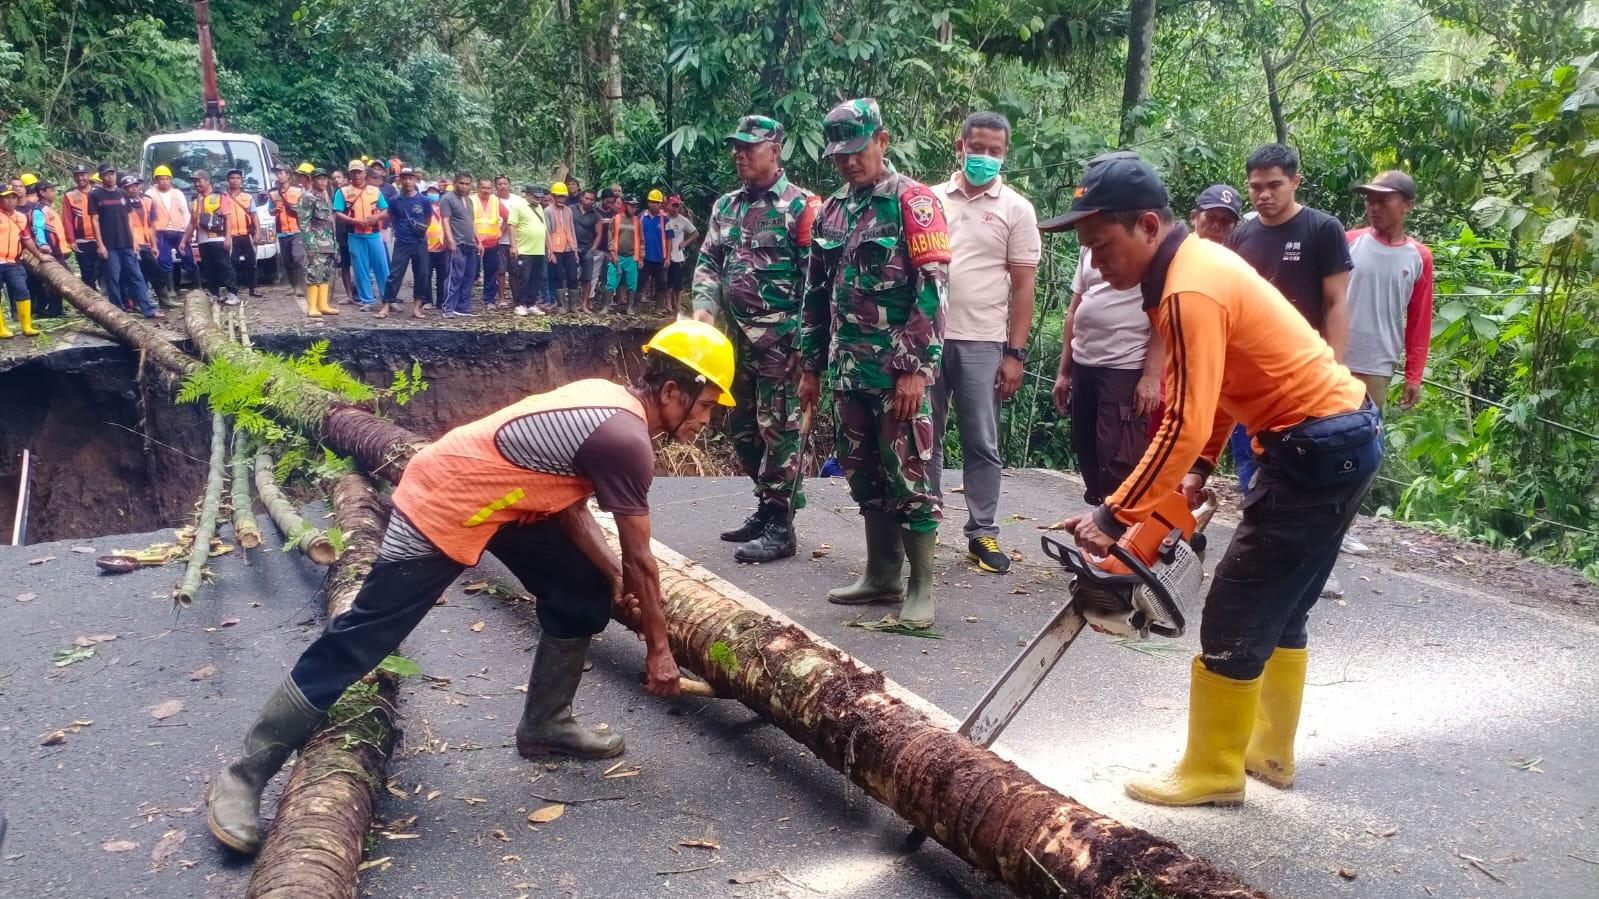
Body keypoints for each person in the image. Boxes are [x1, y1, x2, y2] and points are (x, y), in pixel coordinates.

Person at [205, 319, 737, 855]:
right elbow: (643, 558)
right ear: (672, 391)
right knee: (364, 637)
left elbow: (571, 508)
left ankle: (546, 724)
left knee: (579, 592)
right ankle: (244, 775)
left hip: (505, 508)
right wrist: (659, 651)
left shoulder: (609, 403)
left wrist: (612, 579)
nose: (706, 420)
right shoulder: (625, 438)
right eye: (707, 405)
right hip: (449, 498)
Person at [1051, 155, 1379, 808]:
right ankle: (1267, 751)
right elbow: (1224, 383)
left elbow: (1180, 417)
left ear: (1146, 226)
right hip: (1340, 436)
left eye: (1105, 246)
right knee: (1282, 604)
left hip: (1314, 447)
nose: (1098, 262)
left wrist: (1114, 516)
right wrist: (1199, 468)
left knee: (1235, 601)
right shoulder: (1192, 269)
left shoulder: (1186, 286)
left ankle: (1213, 769)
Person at [797, 98, 950, 628]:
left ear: (881, 140)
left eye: (857, 150)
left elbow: (933, 291)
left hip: (895, 373)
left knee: (908, 476)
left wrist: (913, 368)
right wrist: (811, 366)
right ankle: (881, 573)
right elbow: (816, 293)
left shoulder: (915, 201)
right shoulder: (831, 210)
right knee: (864, 474)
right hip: (846, 370)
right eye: (838, 155)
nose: (848, 162)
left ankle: (921, 587)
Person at [1229, 142, 1359, 587]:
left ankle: (1317, 567)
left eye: (1274, 185)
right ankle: (1266, 560)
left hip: (1307, 380)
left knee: (1313, 478)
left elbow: (1337, 302)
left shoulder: (1322, 229)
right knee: (1256, 472)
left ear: (1295, 182)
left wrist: (1334, 365)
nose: (1264, 195)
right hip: (1252, 382)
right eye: (1255, 187)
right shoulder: (1242, 236)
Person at [692, 114, 819, 563]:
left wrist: (807, 349)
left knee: (779, 431)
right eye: (736, 146)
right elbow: (708, 260)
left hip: (781, 343)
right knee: (742, 428)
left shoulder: (802, 208)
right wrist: (703, 307)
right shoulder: (726, 206)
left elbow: (816, 282)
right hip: (733, 343)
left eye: (750, 146)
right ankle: (764, 507)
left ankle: (782, 526)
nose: (739, 153)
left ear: (776, 150)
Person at [930, 110, 1041, 574]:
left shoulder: (1016, 209)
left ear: (1005, 154)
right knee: (923, 438)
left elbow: (1023, 286)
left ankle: (983, 534)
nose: (985, 158)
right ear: (960, 146)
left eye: (995, 151)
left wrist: (1014, 353)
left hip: (983, 343)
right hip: (928, 341)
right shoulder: (930, 200)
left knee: (981, 441)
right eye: (978, 148)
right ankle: (924, 522)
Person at [1345, 170, 1432, 412]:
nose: (1374, 208)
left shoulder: (1419, 257)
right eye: (1370, 201)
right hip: (1331, 359)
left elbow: (1419, 320)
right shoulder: (1348, 241)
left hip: (1376, 365)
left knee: (1362, 436)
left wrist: (1414, 375)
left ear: (1407, 205)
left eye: (1383, 201)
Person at [90, 164, 161, 319]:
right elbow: (95, 221)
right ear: (101, 177)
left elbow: (129, 218)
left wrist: (134, 240)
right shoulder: (96, 195)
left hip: (127, 243)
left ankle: (147, 308)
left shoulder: (122, 194)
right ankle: (117, 310)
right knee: (113, 277)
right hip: (109, 244)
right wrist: (100, 244)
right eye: (106, 175)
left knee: (137, 276)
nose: (110, 177)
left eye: (112, 174)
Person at [377, 167, 432, 320]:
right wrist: (400, 232)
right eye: (404, 178)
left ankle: (416, 307)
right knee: (394, 274)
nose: (407, 181)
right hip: (402, 242)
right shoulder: (395, 200)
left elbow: (428, 219)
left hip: (420, 242)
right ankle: (386, 306)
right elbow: (393, 218)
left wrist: (420, 231)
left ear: (415, 180)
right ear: (400, 180)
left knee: (422, 274)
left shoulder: (424, 200)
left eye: (410, 178)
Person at [335, 161, 390, 308]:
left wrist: (376, 217)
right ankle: (367, 300)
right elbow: (338, 212)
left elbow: (385, 209)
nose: (356, 175)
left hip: (374, 234)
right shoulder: (343, 192)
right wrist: (354, 220)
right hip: (354, 235)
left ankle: (388, 300)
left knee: (382, 267)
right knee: (360, 269)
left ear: (365, 173)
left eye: (359, 172)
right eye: (353, 172)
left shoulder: (375, 190)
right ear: (349, 174)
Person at [147, 165, 194, 308]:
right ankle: (171, 289)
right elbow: (148, 217)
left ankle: (197, 288)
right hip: (161, 231)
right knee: (164, 260)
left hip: (179, 230)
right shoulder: (150, 194)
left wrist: (188, 233)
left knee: (188, 257)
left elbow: (186, 213)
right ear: (156, 180)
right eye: (161, 179)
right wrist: (152, 236)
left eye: (167, 179)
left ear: (170, 180)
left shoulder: (177, 193)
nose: (164, 182)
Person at [296, 168, 340, 318]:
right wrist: (309, 244)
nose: (322, 181)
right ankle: (312, 307)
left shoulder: (326, 195)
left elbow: (330, 222)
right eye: (319, 179)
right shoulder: (307, 197)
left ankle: (323, 305)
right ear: (313, 180)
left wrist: (335, 244)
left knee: (325, 273)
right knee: (314, 273)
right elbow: (304, 223)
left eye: (324, 179)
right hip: (316, 243)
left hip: (328, 242)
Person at [0, 187, 41, 337]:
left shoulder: (20, 217)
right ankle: (1, 329)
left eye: (14, 197)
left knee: (22, 290)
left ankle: (26, 326)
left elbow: (26, 239)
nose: (11, 201)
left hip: (13, 262)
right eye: (6, 197)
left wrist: (40, 256)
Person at [25, 179, 69, 318]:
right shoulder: (39, 210)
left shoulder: (49, 208)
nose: (54, 193)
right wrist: (42, 244)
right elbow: (38, 228)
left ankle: (57, 308)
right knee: (58, 280)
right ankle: (53, 309)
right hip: (51, 249)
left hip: (58, 249)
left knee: (60, 279)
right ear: (42, 192)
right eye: (51, 190)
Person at [439, 171, 480, 317]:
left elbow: (471, 221)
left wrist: (478, 241)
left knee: (469, 277)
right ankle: (448, 308)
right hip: (457, 243)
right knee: (454, 276)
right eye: (461, 183)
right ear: (455, 183)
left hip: (470, 243)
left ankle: (463, 307)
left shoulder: (468, 200)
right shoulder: (447, 198)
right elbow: (445, 220)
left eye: (467, 184)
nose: (464, 186)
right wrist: (450, 241)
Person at [508, 183, 548, 317]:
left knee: (536, 278)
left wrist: (549, 247)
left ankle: (531, 303)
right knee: (524, 278)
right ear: (528, 194)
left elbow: (544, 228)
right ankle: (520, 304)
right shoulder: (518, 206)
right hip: (524, 250)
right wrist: (514, 246)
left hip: (538, 250)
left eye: (540, 197)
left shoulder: (540, 208)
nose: (538, 199)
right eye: (536, 196)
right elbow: (512, 226)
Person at [124, 175, 164, 301]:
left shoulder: (147, 201)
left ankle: (164, 298)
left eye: (135, 186)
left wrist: (154, 245)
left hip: (146, 243)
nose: (133, 189)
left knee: (155, 270)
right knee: (136, 275)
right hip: (131, 244)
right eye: (129, 187)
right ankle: (136, 300)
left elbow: (151, 224)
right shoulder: (121, 204)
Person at [469, 177, 507, 310]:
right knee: (470, 271)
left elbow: (507, 217)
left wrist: (500, 232)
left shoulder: (496, 201)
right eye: (483, 188)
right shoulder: (471, 200)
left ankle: (489, 299)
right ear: (478, 188)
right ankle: (466, 300)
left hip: (492, 243)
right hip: (474, 243)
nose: (486, 191)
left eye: (488, 188)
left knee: (491, 272)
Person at [272, 164, 308, 298]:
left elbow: (305, 207)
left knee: (297, 257)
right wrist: (274, 211)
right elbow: (271, 210)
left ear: (288, 175)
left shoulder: (298, 190)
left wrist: (295, 208)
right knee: (286, 261)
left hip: (296, 229)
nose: (279, 176)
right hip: (282, 231)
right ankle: (294, 286)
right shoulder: (273, 192)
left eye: (281, 173)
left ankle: (301, 285)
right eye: (277, 173)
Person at [223, 169, 261, 299]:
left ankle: (253, 289)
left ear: (241, 181)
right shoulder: (223, 197)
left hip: (247, 234)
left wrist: (258, 232)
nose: (235, 180)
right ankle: (233, 290)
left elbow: (254, 216)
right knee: (232, 263)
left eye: (238, 178)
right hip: (231, 236)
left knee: (252, 262)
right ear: (228, 181)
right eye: (232, 178)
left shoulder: (248, 197)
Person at [61, 164, 100, 291]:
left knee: (103, 269)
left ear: (88, 175)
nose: (80, 178)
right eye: (77, 175)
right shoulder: (70, 195)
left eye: (82, 175)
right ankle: (92, 300)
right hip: (82, 240)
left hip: (101, 239)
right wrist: (71, 240)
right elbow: (67, 219)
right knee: (86, 270)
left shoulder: (99, 192)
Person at [545, 182, 582, 312]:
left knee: (573, 276)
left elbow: (571, 230)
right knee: (559, 276)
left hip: (569, 248)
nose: (561, 199)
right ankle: (561, 305)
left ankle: (572, 305)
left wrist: (575, 249)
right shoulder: (548, 211)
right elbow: (547, 232)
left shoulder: (568, 211)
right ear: (553, 196)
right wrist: (550, 251)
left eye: (563, 197)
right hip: (556, 249)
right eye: (558, 196)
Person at [638, 189, 674, 310]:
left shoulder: (665, 219)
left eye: (657, 202)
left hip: (660, 258)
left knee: (662, 283)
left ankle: (658, 308)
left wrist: (668, 257)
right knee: (640, 281)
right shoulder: (642, 217)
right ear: (648, 203)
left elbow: (669, 240)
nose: (654, 204)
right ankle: (636, 306)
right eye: (652, 202)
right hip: (644, 257)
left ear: (661, 204)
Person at [665, 195, 700, 316]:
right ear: (668, 205)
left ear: (679, 207)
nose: (674, 208)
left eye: (677, 206)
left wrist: (685, 243)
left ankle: (678, 304)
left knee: (678, 282)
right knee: (667, 281)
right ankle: (668, 303)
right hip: (665, 255)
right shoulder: (663, 218)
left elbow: (695, 233)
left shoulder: (683, 220)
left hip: (678, 255)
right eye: (672, 205)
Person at [607, 195, 643, 312]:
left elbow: (641, 240)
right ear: (625, 205)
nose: (633, 208)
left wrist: (641, 257)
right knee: (611, 281)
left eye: (635, 206)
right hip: (617, 256)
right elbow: (610, 238)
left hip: (632, 257)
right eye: (631, 206)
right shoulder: (615, 219)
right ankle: (605, 306)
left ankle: (630, 307)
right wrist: (612, 253)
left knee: (632, 283)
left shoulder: (637, 221)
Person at [486, 175, 516, 309]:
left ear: (509, 185)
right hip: (497, 242)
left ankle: (517, 298)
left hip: (514, 241)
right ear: (495, 186)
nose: (502, 186)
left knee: (515, 271)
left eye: (505, 183)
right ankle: (501, 298)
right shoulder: (492, 201)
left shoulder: (518, 200)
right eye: (499, 184)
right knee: (500, 271)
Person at [573, 188, 604, 312]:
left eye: (591, 199)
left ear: (594, 201)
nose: (588, 201)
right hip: (572, 248)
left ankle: (584, 304)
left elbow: (599, 234)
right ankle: (572, 304)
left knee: (587, 278)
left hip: (587, 249)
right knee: (571, 276)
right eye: (586, 198)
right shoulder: (571, 210)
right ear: (582, 197)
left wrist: (592, 249)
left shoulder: (596, 216)